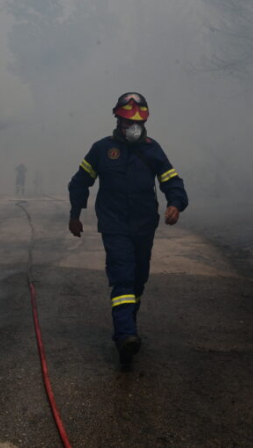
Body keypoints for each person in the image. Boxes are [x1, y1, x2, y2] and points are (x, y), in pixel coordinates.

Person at [68, 92, 188, 367]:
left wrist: (176, 204)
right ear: (118, 121)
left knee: (138, 279)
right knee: (122, 276)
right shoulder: (102, 149)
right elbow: (79, 182)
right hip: (114, 225)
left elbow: (172, 181)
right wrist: (75, 214)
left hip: (144, 225)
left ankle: (129, 328)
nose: (132, 128)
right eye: (127, 122)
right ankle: (124, 335)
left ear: (144, 123)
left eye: (137, 122)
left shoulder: (152, 149)